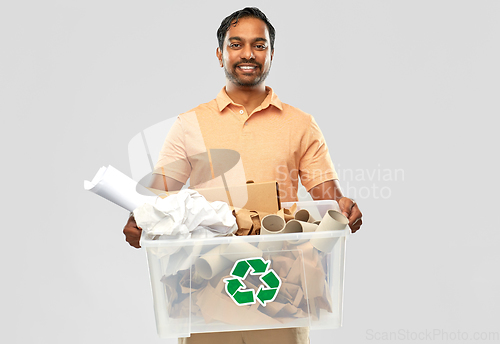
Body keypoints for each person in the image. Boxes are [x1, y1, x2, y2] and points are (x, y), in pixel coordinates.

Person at [123, 7, 362, 344]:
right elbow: (160, 198)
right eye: (236, 44)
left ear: (272, 54)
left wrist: (343, 207)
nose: (248, 53)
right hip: (206, 287)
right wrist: (141, 219)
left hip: (281, 286)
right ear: (220, 54)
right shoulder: (189, 124)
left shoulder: (300, 124)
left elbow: (328, 196)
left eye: (259, 45)